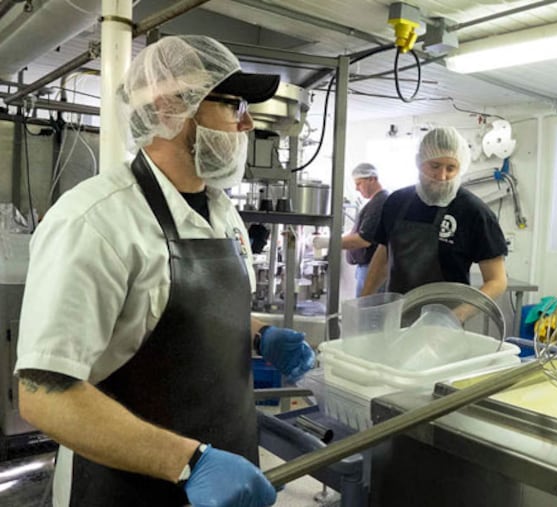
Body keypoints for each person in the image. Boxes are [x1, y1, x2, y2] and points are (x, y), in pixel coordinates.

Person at [14, 35, 315, 507]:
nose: (249, 123)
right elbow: (43, 394)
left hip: (227, 473)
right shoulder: (95, 221)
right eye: (233, 105)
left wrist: (258, 334)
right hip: (126, 489)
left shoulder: (222, 211)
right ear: (174, 108)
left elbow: (185, 318)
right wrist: (190, 462)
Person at [361, 127, 508, 319]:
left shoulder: (474, 212)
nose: (442, 176)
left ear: (461, 167)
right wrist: (364, 301)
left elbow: (497, 280)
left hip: (444, 323)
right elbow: (384, 254)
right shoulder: (396, 202)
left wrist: (455, 317)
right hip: (396, 316)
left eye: (451, 168)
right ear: (419, 163)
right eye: (435, 166)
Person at [314, 163, 388, 296]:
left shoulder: (380, 202)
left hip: (372, 267)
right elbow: (363, 231)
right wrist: (343, 235)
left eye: (359, 183)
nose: (356, 188)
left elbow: (364, 240)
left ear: (372, 179)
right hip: (365, 267)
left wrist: (326, 242)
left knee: (367, 310)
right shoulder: (374, 202)